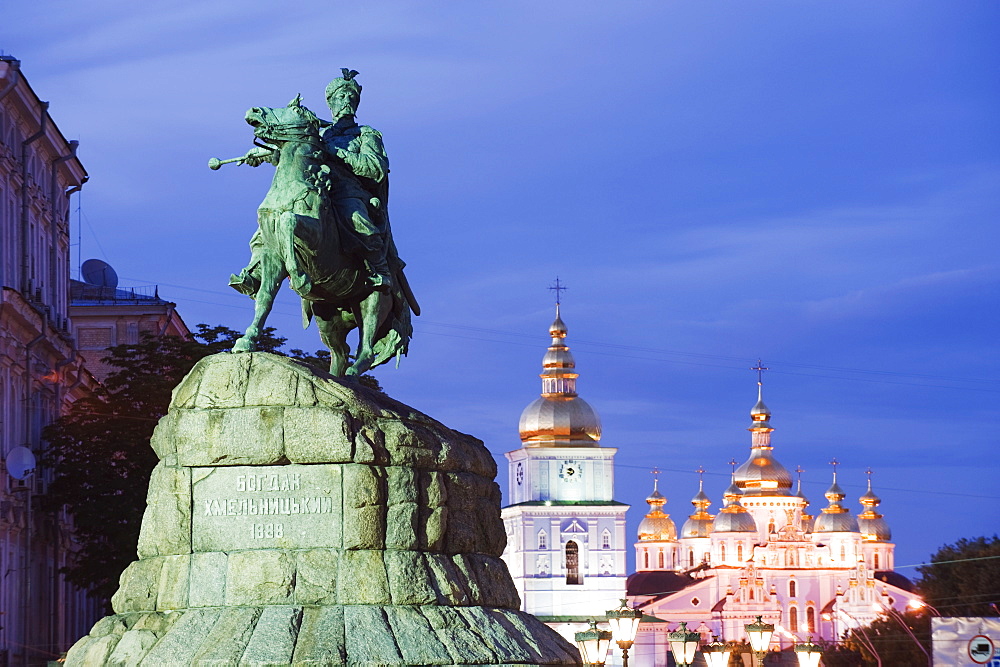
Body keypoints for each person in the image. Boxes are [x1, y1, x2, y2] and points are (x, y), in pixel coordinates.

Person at [319, 68, 396, 292]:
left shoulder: (366, 134)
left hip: (350, 192)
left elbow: (376, 168)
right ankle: (257, 271)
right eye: (341, 96)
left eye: (352, 96)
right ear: (330, 102)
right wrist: (271, 154)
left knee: (355, 216)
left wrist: (338, 153)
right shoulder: (319, 134)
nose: (347, 100)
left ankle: (379, 269)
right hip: (319, 189)